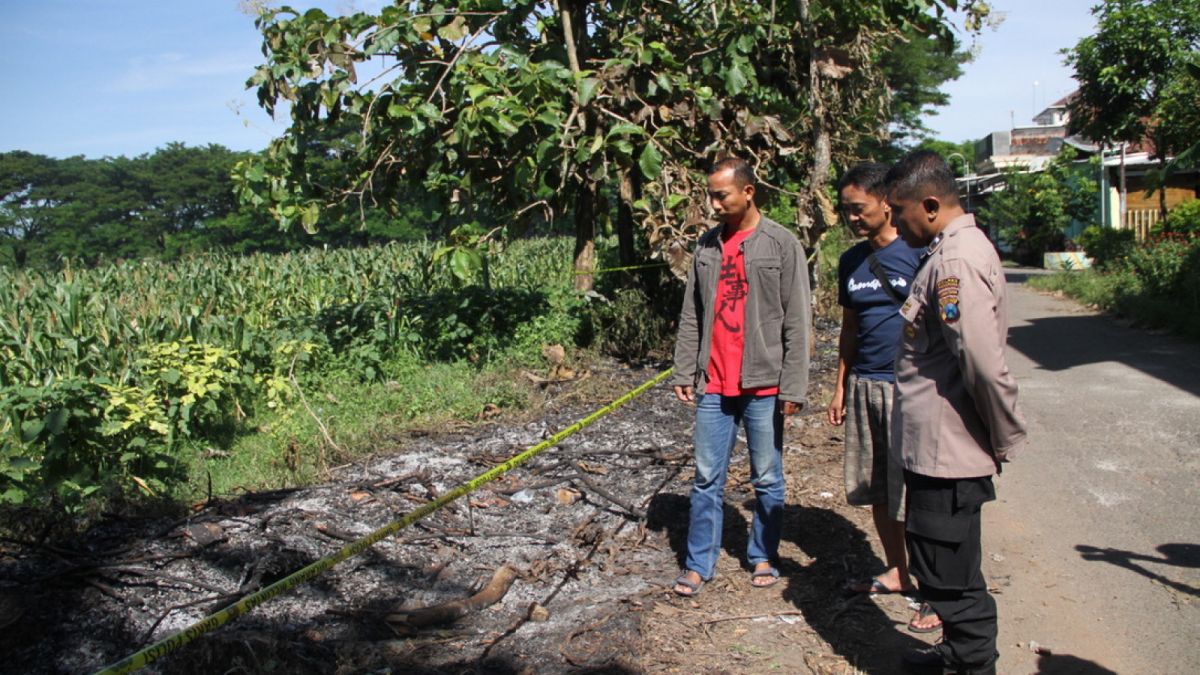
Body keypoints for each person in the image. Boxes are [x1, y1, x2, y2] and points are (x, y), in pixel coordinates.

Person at [884, 151, 1027, 675]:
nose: (897, 226)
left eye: (900, 214)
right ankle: (957, 656)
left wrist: (1003, 437)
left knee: (950, 579)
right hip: (938, 452)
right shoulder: (952, 252)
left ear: (929, 204)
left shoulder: (955, 262)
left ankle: (971, 666)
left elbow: (984, 367)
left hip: (949, 456)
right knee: (945, 568)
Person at [669, 156, 811, 597]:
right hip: (714, 382)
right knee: (706, 476)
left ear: (748, 191)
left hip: (764, 383)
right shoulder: (707, 247)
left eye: (721, 195)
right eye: (710, 195)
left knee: (767, 477)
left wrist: (794, 384)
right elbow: (692, 312)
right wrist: (684, 366)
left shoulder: (782, 244)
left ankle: (763, 554)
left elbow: (798, 320)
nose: (713, 204)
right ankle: (698, 563)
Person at [827, 163, 928, 616]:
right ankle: (896, 568)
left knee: (919, 491)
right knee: (879, 488)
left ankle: (932, 584)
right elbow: (850, 328)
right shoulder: (852, 262)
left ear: (887, 203)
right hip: (866, 384)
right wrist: (840, 386)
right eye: (846, 210)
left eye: (859, 209)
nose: (852, 218)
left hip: (911, 387)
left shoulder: (919, 252)